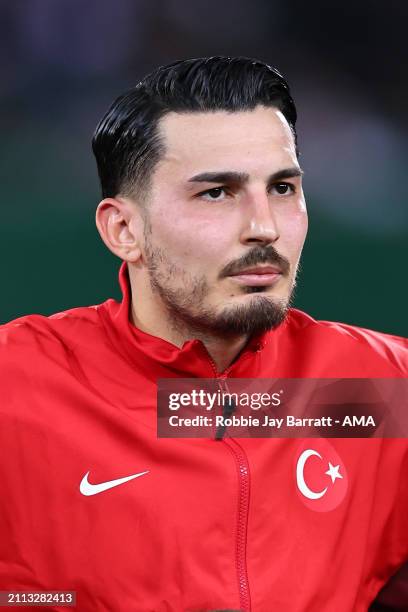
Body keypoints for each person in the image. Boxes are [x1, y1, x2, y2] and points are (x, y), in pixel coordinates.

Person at [0, 56, 406, 612]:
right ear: (124, 229)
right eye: (217, 193)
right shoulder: (15, 386)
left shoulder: (384, 390)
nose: (264, 226)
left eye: (283, 188)